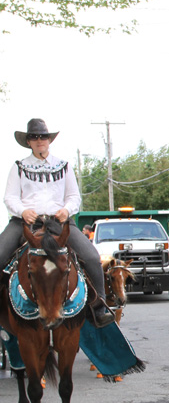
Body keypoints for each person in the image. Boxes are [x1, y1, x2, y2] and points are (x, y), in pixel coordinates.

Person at [1, 119, 116, 327]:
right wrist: (23, 211)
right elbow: (10, 197)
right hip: (25, 221)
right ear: (28, 141)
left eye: (42, 136)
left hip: (58, 221)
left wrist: (66, 210)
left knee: (91, 256)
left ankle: (99, 306)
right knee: (0, 254)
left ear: (49, 139)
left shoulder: (63, 166)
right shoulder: (19, 167)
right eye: (34, 137)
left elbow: (74, 197)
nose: (39, 141)